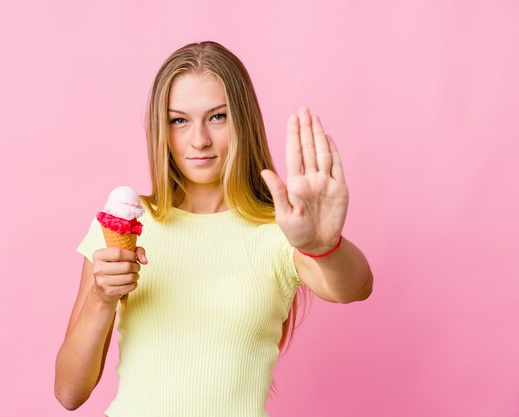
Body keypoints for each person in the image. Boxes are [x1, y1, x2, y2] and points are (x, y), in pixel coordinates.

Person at [54, 41, 373, 416]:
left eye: (218, 117)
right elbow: (69, 392)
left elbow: (354, 288)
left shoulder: (281, 228)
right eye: (179, 120)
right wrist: (101, 297)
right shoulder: (129, 225)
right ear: (161, 128)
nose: (199, 139)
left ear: (244, 121)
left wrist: (323, 245)